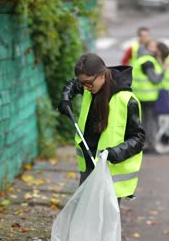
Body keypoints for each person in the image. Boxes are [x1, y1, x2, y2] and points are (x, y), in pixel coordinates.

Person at [58, 53, 145, 200]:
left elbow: (138, 138)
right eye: (83, 84)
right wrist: (66, 98)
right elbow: (73, 84)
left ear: (102, 75)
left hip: (109, 170)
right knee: (84, 216)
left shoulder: (127, 101)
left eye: (89, 83)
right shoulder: (89, 87)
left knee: (104, 221)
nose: (86, 88)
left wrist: (114, 153)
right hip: (88, 164)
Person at [131, 39, 165, 153]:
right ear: (147, 48)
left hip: (140, 96)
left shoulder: (140, 60)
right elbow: (155, 79)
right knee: (151, 122)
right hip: (148, 96)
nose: (156, 49)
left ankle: (144, 144)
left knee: (144, 121)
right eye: (153, 46)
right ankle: (151, 145)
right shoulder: (148, 62)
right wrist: (164, 71)